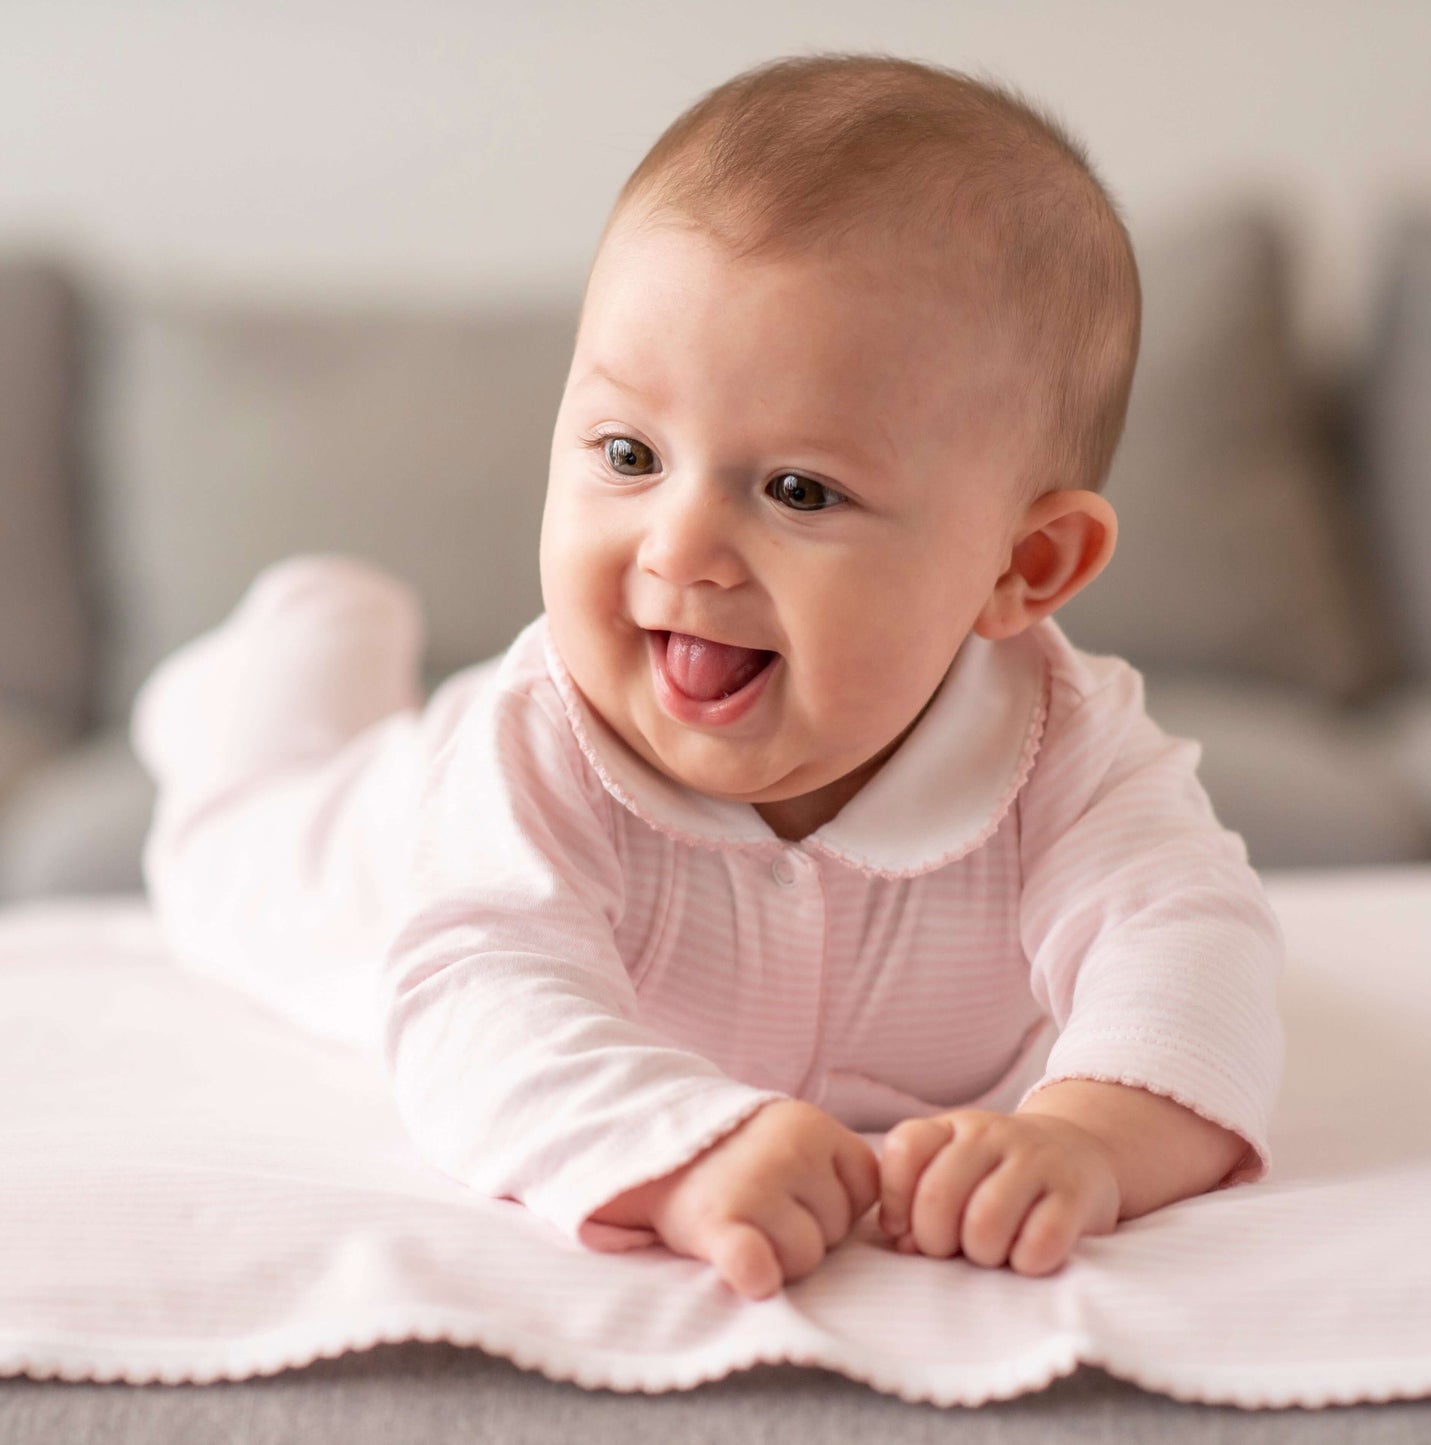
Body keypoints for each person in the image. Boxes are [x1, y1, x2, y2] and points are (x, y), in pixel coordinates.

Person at [132, 54, 1285, 1303]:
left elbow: (1191, 943)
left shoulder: (1063, 749)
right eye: (628, 452)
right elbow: (481, 1001)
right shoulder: (532, 750)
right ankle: (289, 651)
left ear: (1024, 563)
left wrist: (1086, 1137)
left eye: (797, 489)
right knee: (239, 842)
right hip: (370, 843)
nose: (677, 546)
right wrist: (676, 1149)